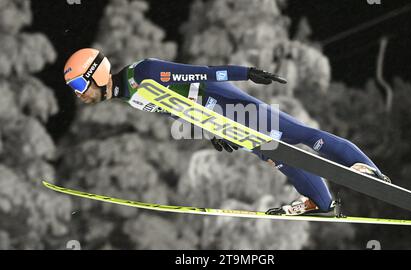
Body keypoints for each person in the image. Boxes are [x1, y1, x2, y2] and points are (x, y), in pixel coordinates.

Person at [63, 48, 390, 216]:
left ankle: (366, 170)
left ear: (98, 73)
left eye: (79, 83)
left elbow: (202, 75)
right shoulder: (130, 95)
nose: (78, 93)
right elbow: (179, 107)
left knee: (297, 135)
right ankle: (322, 203)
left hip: (224, 101)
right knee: (278, 156)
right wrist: (211, 129)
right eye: (72, 88)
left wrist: (245, 73)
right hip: (218, 117)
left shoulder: (143, 73)